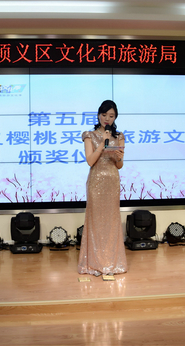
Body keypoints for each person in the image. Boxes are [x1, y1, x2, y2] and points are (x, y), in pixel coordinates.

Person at [77, 100, 128, 276]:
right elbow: (90, 161)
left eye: (111, 116)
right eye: (104, 115)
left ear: (115, 117)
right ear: (99, 115)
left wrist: (119, 157)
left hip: (112, 182)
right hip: (96, 181)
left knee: (111, 221)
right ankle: (94, 263)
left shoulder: (119, 136)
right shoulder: (89, 135)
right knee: (96, 222)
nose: (107, 119)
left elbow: (119, 165)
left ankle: (111, 262)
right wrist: (103, 143)